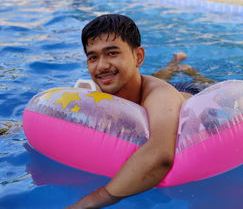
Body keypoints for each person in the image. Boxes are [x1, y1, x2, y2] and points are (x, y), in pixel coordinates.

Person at [68, 14, 210, 208]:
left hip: (185, 93)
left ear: (138, 56)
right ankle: (174, 63)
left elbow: (161, 155)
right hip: (141, 85)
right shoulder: (97, 88)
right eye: (93, 57)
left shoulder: (161, 96)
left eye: (112, 53)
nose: (101, 66)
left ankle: (189, 70)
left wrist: (93, 200)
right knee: (150, 76)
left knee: (162, 82)